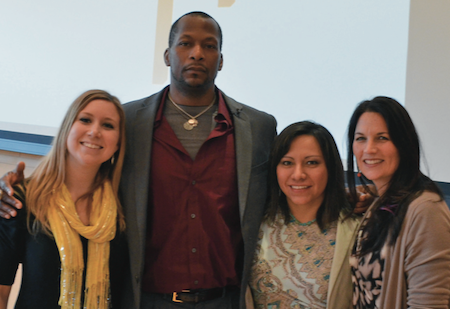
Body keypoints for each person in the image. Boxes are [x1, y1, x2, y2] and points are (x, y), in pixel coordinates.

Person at [0, 11, 276, 309]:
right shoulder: (130, 121)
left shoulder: (258, 128)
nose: (197, 53)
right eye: (185, 44)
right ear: (168, 55)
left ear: (221, 60)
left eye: (209, 46)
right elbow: (85, 165)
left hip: (224, 299)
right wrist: (13, 188)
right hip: (144, 300)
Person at [0, 89, 128, 309]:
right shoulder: (21, 200)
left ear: (117, 144)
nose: (95, 131)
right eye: (85, 120)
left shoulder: (125, 206)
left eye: (108, 125)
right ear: (67, 127)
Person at [346, 96, 450, 308]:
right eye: (360, 138)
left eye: (382, 138)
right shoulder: (379, 202)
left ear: (404, 143)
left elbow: (429, 303)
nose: (369, 149)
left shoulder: (426, 209)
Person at [248, 121, 359, 309]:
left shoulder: (356, 230)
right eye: (287, 163)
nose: (298, 174)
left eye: (312, 163)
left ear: (331, 168)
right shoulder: (254, 222)